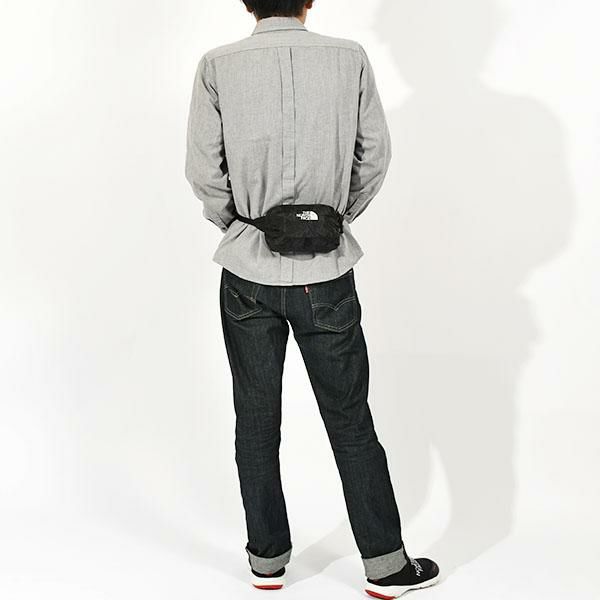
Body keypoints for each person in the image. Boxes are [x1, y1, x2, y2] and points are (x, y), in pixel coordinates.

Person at [184, 1, 440, 597]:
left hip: (247, 272)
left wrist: (244, 229)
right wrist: (330, 221)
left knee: (255, 419)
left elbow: (203, 172)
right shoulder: (349, 59)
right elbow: (374, 156)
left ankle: (267, 562)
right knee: (350, 418)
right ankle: (385, 566)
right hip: (326, 271)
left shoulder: (217, 65)